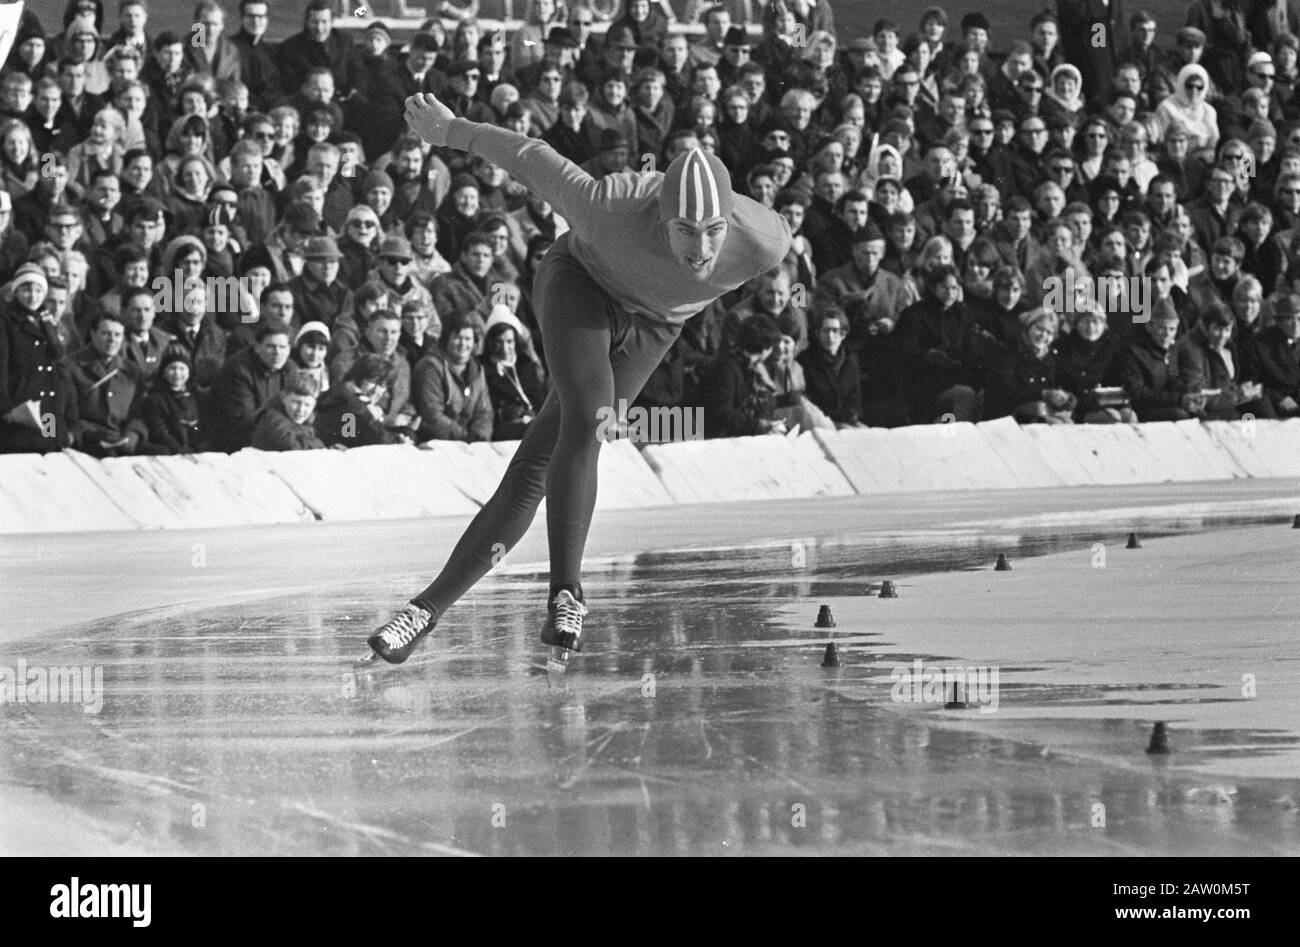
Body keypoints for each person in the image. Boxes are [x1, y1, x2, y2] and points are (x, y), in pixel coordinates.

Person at [360, 90, 790, 668]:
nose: (701, 249)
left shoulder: (765, 240)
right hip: (580, 288)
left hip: (654, 327)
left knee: (542, 459)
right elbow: (530, 155)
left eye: (713, 230)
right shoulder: (608, 204)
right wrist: (453, 130)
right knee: (589, 422)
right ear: (658, 215)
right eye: (684, 230)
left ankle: (423, 611)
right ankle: (567, 593)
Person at [140, 347, 204, 453]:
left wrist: (199, 445)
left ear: (189, 372)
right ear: (164, 372)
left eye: (182, 368)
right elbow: (161, 432)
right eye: (172, 368)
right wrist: (178, 450)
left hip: (197, 450)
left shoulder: (198, 397)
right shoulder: (155, 400)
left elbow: (200, 426)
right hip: (171, 451)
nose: (177, 373)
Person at [251, 372, 326, 451]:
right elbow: (292, 446)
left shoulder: (308, 420)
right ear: (283, 398)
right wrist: (319, 444)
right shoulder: (272, 418)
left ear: (314, 405)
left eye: (307, 405)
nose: (301, 409)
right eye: (296, 402)